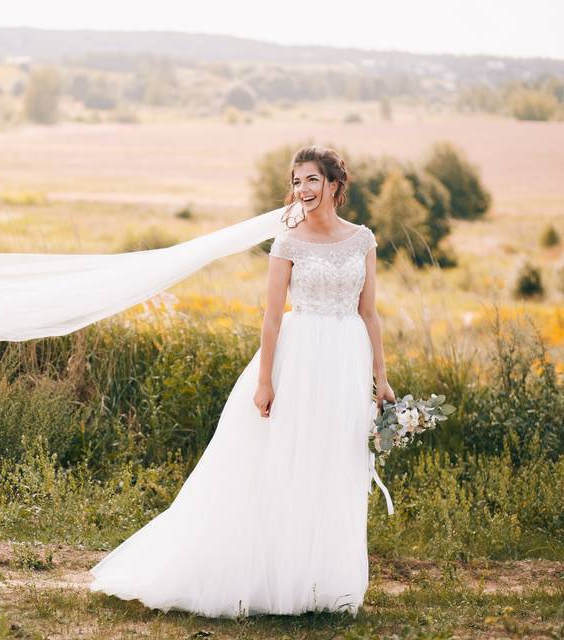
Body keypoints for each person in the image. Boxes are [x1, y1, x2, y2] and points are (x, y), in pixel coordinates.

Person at [88, 145, 396, 617]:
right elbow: (272, 318)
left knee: (334, 464)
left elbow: (369, 312)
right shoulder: (288, 241)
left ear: (335, 184)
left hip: (344, 361)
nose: (303, 190)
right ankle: (271, 580)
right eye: (296, 182)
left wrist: (382, 377)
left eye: (312, 180)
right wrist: (265, 381)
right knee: (280, 463)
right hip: (297, 358)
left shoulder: (362, 240)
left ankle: (323, 582)